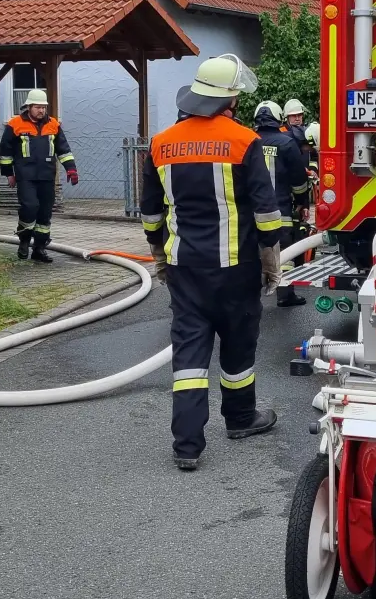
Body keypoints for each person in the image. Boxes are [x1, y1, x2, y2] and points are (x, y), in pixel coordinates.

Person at [140, 55, 283, 470]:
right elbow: (266, 211)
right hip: (235, 268)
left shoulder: (161, 143)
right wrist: (270, 259)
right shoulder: (244, 141)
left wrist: (157, 253)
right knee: (238, 344)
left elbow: (150, 212)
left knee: (189, 353)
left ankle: (187, 445)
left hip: (184, 267)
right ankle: (240, 418)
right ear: (231, 101)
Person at [0, 89, 77, 262]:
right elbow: (5, 151)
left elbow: (63, 149)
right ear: (29, 107)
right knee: (29, 207)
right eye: (38, 107)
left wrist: (71, 168)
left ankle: (39, 248)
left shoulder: (53, 125)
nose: (41, 110)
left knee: (44, 214)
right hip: (25, 176)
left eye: (43, 107)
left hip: (47, 176)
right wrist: (8, 173)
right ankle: (24, 241)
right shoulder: (15, 124)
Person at [253, 100, 310, 306]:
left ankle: (250, 296)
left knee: (251, 253)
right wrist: (303, 203)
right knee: (284, 254)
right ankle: (285, 295)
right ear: (279, 118)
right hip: (280, 211)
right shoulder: (286, 144)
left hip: (251, 212)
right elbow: (298, 180)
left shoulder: (248, 141)